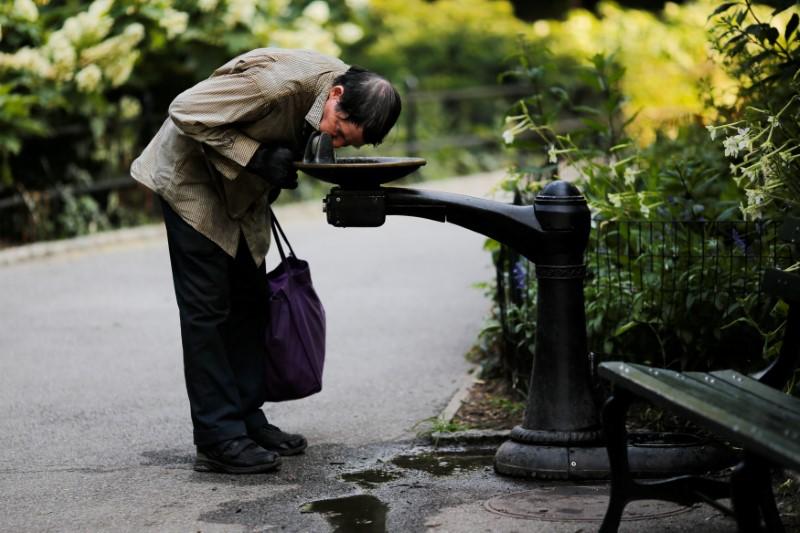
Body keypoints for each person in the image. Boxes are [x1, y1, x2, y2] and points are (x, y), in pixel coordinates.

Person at [130, 48, 401, 474]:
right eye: (341, 133)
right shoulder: (275, 85)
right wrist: (257, 157)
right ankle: (218, 438)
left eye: (348, 143)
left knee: (252, 301)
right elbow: (184, 109)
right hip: (190, 184)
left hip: (241, 193)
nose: (336, 143)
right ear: (335, 94)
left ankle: (247, 419)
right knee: (208, 312)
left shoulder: (330, 98)